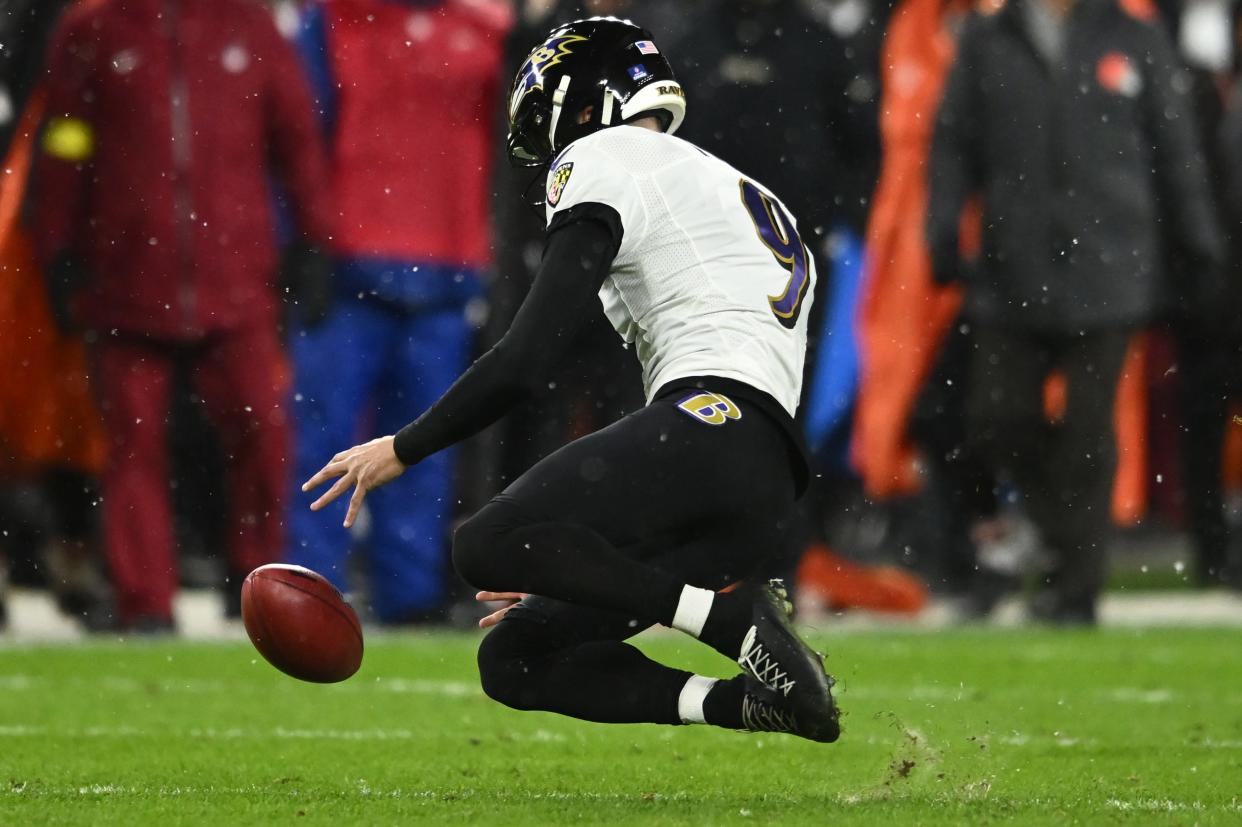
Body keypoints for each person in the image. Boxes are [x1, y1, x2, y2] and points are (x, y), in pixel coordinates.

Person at [303, 17, 840, 741]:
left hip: (711, 426)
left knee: (481, 544)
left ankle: (732, 619)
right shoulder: (736, 191)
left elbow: (528, 357)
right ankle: (748, 700)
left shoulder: (605, 155)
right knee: (516, 658)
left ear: (582, 106)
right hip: (762, 475)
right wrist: (570, 559)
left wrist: (404, 445)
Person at [28, 0, 334, 631]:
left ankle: (255, 584)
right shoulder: (92, 30)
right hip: (126, 281)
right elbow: (64, 138)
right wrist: (56, 247)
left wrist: (314, 239)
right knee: (132, 447)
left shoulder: (247, 25)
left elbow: (295, 135)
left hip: (236, 282)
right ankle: (146, 604)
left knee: (263, 436)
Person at [927, 0, 1223, 623]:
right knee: (997, 417)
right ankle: (1063, 543)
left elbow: (1175, 147)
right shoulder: (987, 40)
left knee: (1089, 431)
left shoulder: (1132, 38)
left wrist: (1199, 246)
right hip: (1013, 263)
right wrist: (943, 229)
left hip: (1110, 263)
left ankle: (1076, 589)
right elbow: (954, 141)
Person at [285, 0, 511, 625]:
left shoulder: (491, 30)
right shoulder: (331, 22)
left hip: (446, 270)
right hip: (349, 270)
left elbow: (515, 157)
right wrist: (303, 249)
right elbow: (299, 141)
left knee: (422, 450)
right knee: (326, 447)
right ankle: (309, 594)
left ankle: (408, 600)